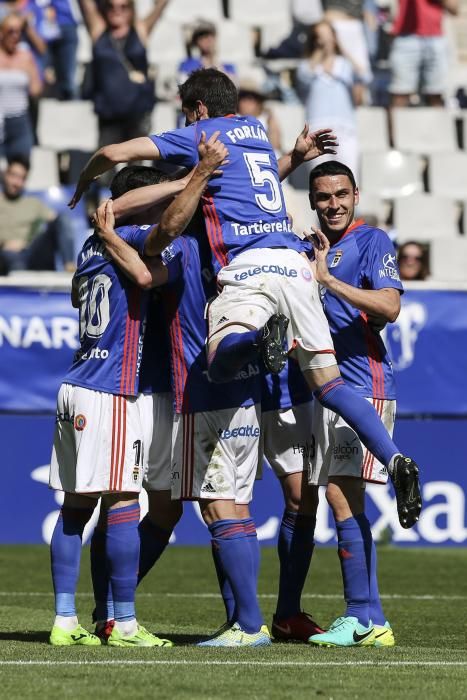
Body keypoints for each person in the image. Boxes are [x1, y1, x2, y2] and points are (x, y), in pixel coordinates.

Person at [69, 69, 421, 542]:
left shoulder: (203, 133)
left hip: (249, 264)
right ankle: (394, 456)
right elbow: (247, 184)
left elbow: (115, 154)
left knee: (219, 353)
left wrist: (84, 181)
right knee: (331, 385)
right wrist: (293, 156)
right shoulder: (254, 130)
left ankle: (257, 339)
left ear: (196, 110)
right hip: (296, 263)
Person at [93, 152, 271, 648]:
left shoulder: (177, 246)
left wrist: (108, 233)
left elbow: (149, 274)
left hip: (186, 388)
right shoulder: (220, 242)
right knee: (159, 504)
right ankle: (109, 608)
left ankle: (243, 623)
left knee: (194, 506)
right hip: (181, 389)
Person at [48, 144, 220, 647]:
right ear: (136, 204)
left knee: (76, 508)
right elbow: (148, 273)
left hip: (75, 382)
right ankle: (122, 622)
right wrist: (195, 178)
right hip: (111, 389)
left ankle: (64, 621)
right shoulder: (127, 236)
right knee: (123, 501)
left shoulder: (88, 247)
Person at [304, 159, 411, 647]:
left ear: (356, 194)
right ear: (312, 200)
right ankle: (375, 620)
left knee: (341, 495)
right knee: (346, 498)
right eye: (324, 196)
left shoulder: (372, 242)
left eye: (341, 194)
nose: (333, 204)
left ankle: (359, 616)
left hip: (363, 382)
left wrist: (329, 281)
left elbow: (389, 306)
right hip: (328, 389)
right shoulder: (313, 250)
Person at [78, 0, 169, 147]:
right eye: (111, 6)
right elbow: (86, 4)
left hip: (137, 112)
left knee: (136, 166)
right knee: (106, 163)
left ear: (131, 9)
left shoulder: (139, 30)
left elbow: (160, 7)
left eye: (123, 6)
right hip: (108, 114)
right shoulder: (99, 30)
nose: (117, 10)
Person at [295, 20, 370, 176]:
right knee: (319, 175)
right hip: (317, 128)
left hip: (345, 128)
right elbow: (303, 78)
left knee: (348, 175)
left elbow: (365, 76)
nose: (325, 39)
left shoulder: (345, 64)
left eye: (328, 35)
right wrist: (319, 52)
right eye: (320, 36)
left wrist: (342, 48)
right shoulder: (307, 65)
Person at [0, 154, 75, 271]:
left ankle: (70, 267)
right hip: (6, 255)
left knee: (62, 218)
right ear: (5, 175)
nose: (17, 183)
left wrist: (26, 241)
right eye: (14, 176)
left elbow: (58, 222)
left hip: (32, 252)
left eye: (22, 178)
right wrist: (4, 243)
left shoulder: (33, 203)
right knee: (11, 258)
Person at [389, 0, 459, 107]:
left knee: (436, 94)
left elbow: (454, 10)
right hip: (405, 38)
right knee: (400, 93)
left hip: (435, 38)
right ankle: (398, 123)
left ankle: (436, 123)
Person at [0, 12, 42, 159]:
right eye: (11, 31)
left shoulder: (25, 56)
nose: (15, 35)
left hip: (20, 120)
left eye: (19, 31)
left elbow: (36, 89)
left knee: (21, 167)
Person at [237, 79, 282, 152]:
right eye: (243, 96)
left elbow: (276, 146)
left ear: (259, 101)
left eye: (252, 97)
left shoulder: (267, 118)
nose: (247, 102)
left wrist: (271, 119)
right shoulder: (233, 118)